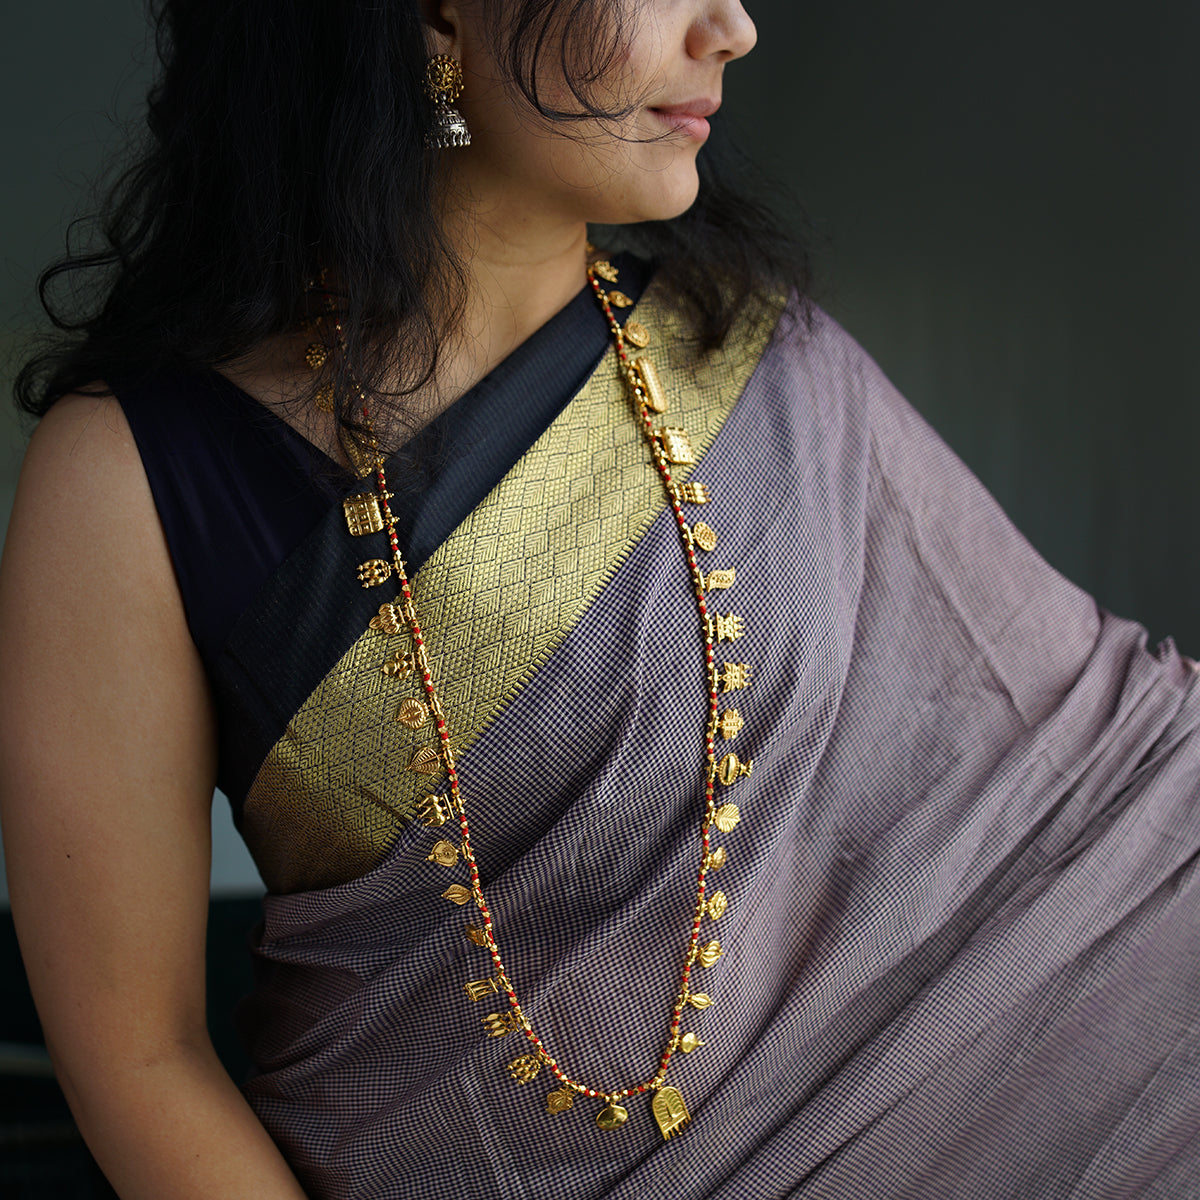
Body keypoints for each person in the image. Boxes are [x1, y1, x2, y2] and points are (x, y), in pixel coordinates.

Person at [2, 2, 1198, 1198]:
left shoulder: (753, 353)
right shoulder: (143, 476)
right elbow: (139, 1051)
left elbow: (1077, 759)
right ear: (433, 18)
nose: (731, 27)